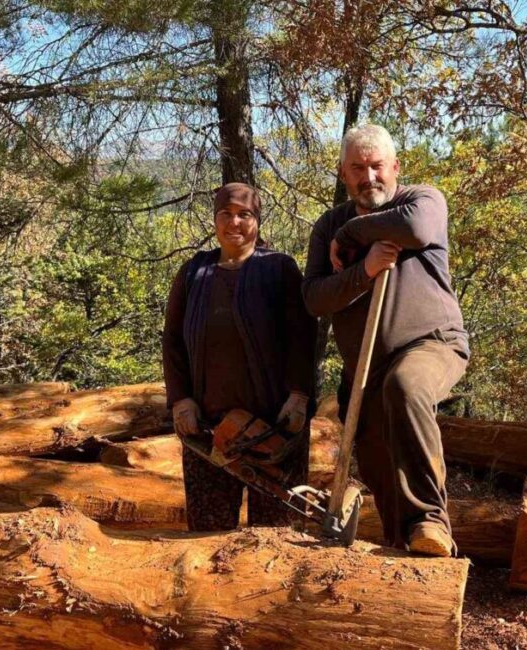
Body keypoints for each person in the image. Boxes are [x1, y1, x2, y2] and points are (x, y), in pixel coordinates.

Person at [303, 124, 469, 557]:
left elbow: (414, 228)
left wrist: (354, 234)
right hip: (366, 369)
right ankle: (407, 550)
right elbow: (315, 298)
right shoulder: (327, 225)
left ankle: (432, 521)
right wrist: (364, 270)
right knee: (378, 462)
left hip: (432, 343)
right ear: (343, 174)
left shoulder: (422, 199)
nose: (369, 176)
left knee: (407, 386)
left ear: (395, 167)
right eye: (357, 168)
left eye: (377, 166)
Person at [162, 182, 317, 531]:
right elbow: (172, 340)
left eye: (244, 215)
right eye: (226, 214)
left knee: (278, 535)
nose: (235, 223)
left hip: (276, 429)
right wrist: (181, 400)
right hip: (208, 429)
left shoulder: (279, 269)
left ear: (257, 220)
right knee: (208, 534)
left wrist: (299, 395)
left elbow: (303, 338)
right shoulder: (193, 273)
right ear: (215, 220)